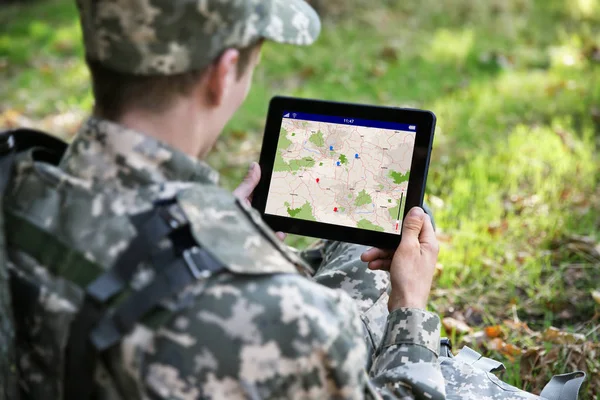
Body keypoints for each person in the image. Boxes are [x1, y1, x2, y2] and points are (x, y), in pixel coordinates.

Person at [1, 0, 584, 399]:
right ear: (222, 73)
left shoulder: (15, 189)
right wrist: (410, 308)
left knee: (349, 252)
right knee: (381, 279)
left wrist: (207, 229)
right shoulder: (288, 319)